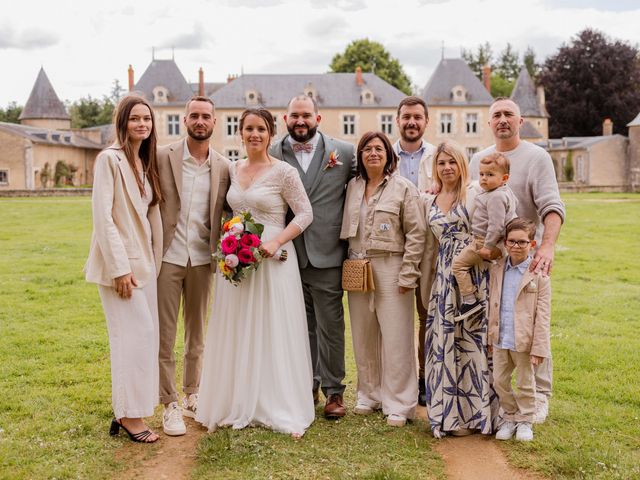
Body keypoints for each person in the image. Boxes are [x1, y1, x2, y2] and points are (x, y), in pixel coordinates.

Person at [196, 108, 315, 437]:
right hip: (237, 260)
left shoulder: (284, 172)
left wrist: (276, 241)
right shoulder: (233, 169)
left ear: (271, 133)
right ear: (240, 132)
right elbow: (229, 211)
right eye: (248, 128)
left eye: (261, 129)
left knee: (272, 328)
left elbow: (305, 214)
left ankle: (278, 404)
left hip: (273, 261)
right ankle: (237, 398)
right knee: (238, 327)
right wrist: (229, 242)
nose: (254, 134)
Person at [470, 97, 565, 423]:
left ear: (520, 120)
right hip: (493, 261)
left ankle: (539, 396)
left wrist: (547, 248)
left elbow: (552, 206)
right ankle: (500, 398)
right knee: (499, 329)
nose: (502, 120)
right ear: (489, 123)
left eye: (508, 114)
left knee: (532, 327)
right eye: (496, 115)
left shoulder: (536, 157)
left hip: (526, 259)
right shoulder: (479, 159)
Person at [270, 95, 356, 418]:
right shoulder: (273, 152)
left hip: (328, 253)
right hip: (288, 254)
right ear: (285, 118)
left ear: (318, 119)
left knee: (330, 326)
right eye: (295, 116)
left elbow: (370, 183)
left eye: (306, 115)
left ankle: (335, 392)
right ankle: (306, 387)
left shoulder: (344, 153)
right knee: (299, 326)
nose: (300, 121)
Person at [84, 95, 163, 443]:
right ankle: (129, 416)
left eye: (147, 119)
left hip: (145, 266)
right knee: (132, 338)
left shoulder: (144, 163)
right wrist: (119, 269)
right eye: (135, 119)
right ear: (122, 122)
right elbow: (103, 218)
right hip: (121, 269)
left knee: (145, 339)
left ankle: (132, 411)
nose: (142, 124)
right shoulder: (108, 160)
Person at [156, 96, 230, 436]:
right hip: (167, 257)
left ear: (214, 122)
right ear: (184, 120)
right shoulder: (162, 156)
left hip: (203, 259)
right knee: (165, 335)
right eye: (194, 115)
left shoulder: (224, 166)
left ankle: (192, 392)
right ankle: (168, 402)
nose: (200, 121)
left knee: (197, 335)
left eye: (206, 116)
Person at [340, 131, 426, 427]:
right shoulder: (352, 186)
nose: (373, 153)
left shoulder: (403, 188)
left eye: (379, 149)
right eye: (367, 149)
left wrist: (409, 273)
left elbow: (417, 233)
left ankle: (400, 403)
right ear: (360, 156)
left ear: (389, 155)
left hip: (392, 267)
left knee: (396, 336)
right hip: (357, 265)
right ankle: (369, 393)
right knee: (363, 335)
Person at [419, 141, 499, 438]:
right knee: (447, 342)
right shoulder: (430, 198)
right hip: (443, 279)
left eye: (452, 161)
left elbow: (499, 222)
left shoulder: (477, 192)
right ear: (435, 168)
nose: (447, 167)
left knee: (472, 342)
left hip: (473, 274)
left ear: (462, 164)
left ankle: (478, 415)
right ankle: (450, 415)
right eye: (441, 163)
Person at [489, 218, 551, 442]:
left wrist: (539, 347)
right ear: (505, 243)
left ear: (532, 244)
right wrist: (490, 335)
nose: (516, 246)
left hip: (523, 340)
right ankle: (509, 416)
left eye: (522, 242)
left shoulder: (539, 275)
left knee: (525, 383)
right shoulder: (497, 269)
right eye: (512, 242)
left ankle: (525, 420)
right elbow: (493, 303)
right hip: (500, 337)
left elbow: (543, 316)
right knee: (499, 381)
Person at [392, 96, 436, 407]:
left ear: (425, 122)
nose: (412, 122)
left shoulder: (437, 157)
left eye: (417, 117)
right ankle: (395, 381)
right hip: (392, 247)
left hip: (429, 247)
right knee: (393, 319)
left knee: (426, 317)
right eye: (406, 117)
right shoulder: (384, 154)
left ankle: (425, 379)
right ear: (398, 120)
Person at [452, 152, 517, 320]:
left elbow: (496, 225)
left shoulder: (496, 196)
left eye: (490, 175)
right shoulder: (504, 191)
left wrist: (488, 247)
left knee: (458, 265)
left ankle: (469, 300)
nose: (484, 179)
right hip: (490, 241)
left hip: (482, 241)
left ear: (504, 178)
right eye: (481, 174)